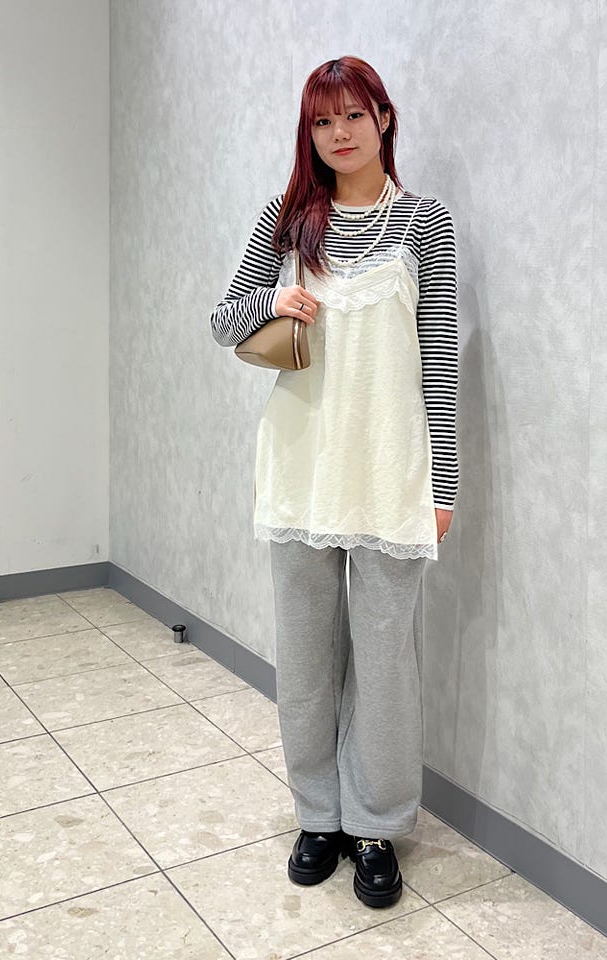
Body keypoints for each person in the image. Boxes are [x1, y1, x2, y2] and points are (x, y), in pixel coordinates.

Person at [210, 55, 459, 908]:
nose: (339, 133)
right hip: (300, 467)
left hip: (390, 472)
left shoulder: (424, 222)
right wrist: (275, 302)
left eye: (354, 115)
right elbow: (223, 322)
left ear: (384, 118)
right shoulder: (287, 220)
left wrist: (445, 484)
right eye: (322, 120)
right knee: (308, 658)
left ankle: (375, 825)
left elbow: (439, 359)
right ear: (308, 132)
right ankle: (319, 816)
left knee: (386, 665)